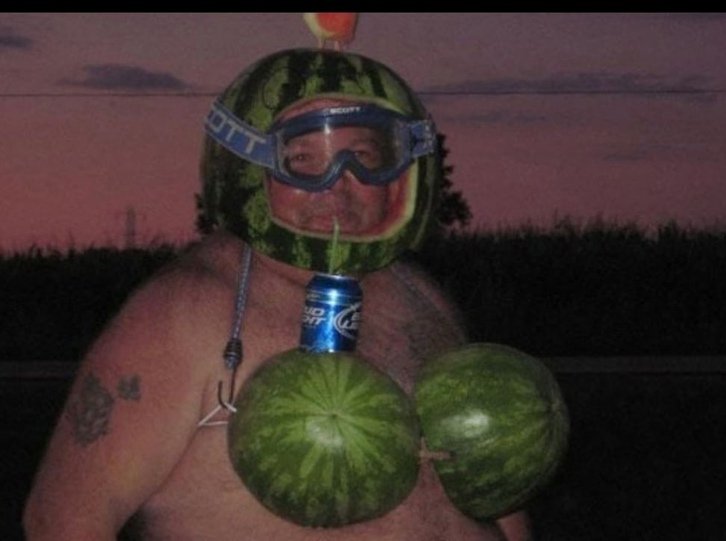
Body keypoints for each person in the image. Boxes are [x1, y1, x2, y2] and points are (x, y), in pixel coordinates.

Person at [24, 48, 533, 541]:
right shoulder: (186, 311)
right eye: (302, 159)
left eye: (362, 157)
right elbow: (62, 520)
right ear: (249, 169)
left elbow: (493, 484)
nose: (337, 185)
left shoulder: (420, 296)